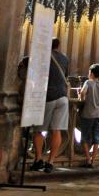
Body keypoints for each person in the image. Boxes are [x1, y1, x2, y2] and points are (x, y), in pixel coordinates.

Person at [31, 37, 69, 173]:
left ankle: (38, 159)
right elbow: (66, 75)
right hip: (63, 97)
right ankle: (51, 162)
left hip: (48, 96)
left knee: (39, 130)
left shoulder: (42, 57)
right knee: (56, 130)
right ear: (58, 46)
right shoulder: (64, 59)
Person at [78, 63, 99, 167]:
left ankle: (88, 159)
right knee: (96, 138)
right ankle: (93, 160)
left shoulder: (88, 82)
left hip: (87, 114)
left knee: (85, 137)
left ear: (92, 73)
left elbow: (82, 93)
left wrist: (81, 98)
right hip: (98, 114)